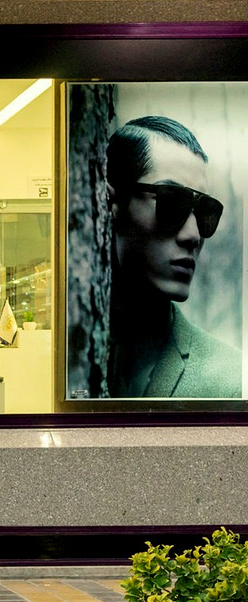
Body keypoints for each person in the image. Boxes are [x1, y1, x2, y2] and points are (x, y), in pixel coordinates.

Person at [105, 115, 241, 398]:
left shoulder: (232, 382)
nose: (193, 236)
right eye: (171, 202)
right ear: (111, 203)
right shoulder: (64, 355)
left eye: (205, 213)